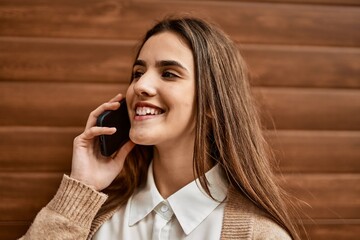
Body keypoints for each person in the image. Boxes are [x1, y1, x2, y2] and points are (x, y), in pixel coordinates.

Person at [20, 16, 302, 239]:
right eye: (138, 73)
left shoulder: (261, 235)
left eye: (168, 73)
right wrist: (81, 189)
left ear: (212, 104)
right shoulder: (89, 215)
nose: (140, 86)